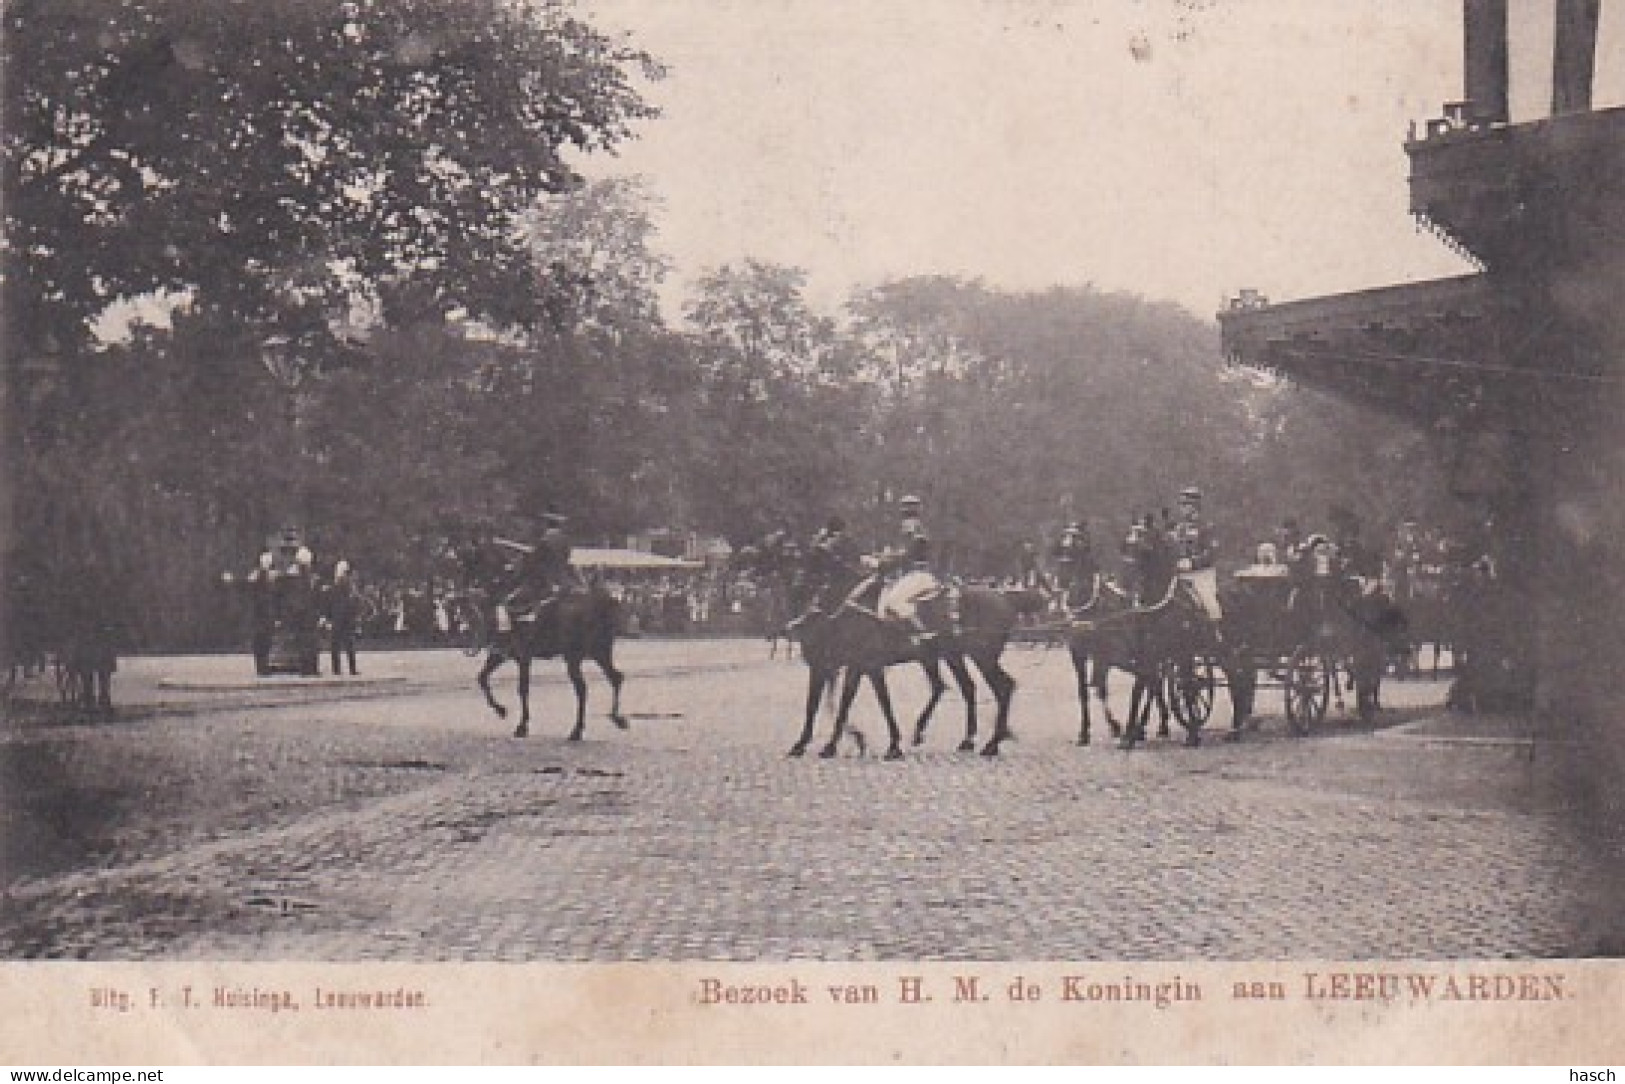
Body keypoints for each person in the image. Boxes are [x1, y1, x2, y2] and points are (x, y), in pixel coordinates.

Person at [877, 495, 945, 643]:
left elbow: (907, 554)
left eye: (908, 508)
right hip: (910, 574)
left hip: (918, 574)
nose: (905, 511)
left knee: (895, 600)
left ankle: (921, 631)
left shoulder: (913, 528)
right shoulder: (913, 528)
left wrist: (887, 561)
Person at [1172, 486, 1221, 619]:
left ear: (1195, 506)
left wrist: (1192, 563)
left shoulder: (1206, 527)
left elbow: (1211, 553)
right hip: (1180, 576)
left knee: (1210, 604)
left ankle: (1217, 634)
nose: (1182, 508)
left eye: (1185, 504)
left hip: (1202, 575)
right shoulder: (1178, 529)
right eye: (1181, 504)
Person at [324, 560, 362, 676]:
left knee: (337, 645)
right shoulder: (348, 586)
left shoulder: (334, 586)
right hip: (345, 618)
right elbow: (354, 601)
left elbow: (329, 603)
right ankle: (351, 668)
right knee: (348, 644)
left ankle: (337, 669)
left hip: (338, 618)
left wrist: (328, 617)